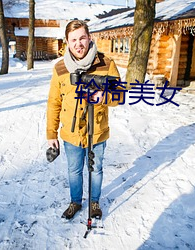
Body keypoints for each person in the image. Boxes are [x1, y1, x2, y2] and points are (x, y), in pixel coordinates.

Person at [46, 20, 122, 220]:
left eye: (82, 38)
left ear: (89, 38)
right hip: (71, 133)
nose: (78, 43)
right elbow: (54, 102)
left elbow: (120, 95)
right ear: (67, 42)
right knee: (74, 170)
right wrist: (51, 134)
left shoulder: (106, 64)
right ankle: (75, 202)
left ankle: (94, 202)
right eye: (73, 40)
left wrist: (103, 97)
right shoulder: (60, 68)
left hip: (97, 130)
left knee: (96, 168)